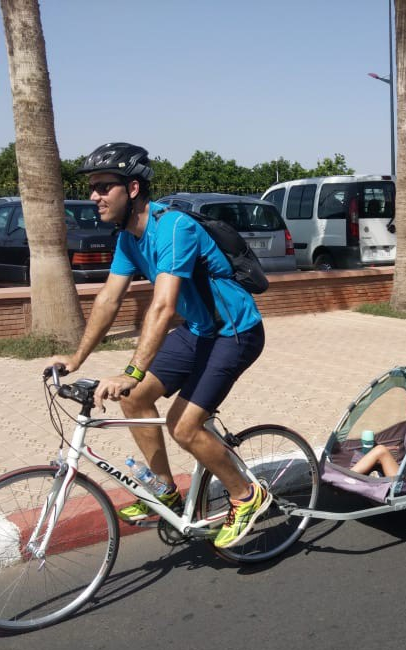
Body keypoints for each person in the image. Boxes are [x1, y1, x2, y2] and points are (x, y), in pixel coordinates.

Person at [48, 142, 268, 549]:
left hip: (235, 332)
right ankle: (164, 489)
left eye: (103, 188)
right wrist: (77, 358)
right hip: (201, 330)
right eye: (92, 189)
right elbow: (109, 299)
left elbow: (164, 307)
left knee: (183, 426)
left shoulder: (172, 228)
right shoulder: (129, 238)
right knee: (134, 399)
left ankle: (246, 495)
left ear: (132, 189)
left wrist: (130, 370)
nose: (93, 197)